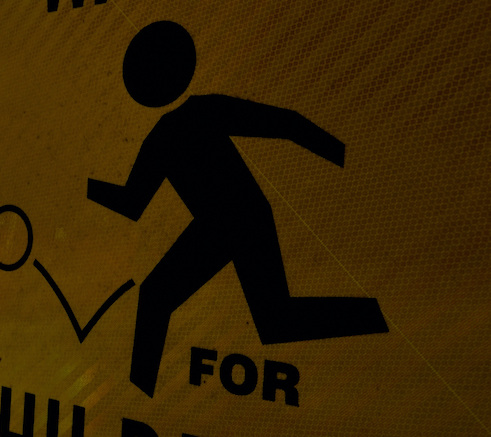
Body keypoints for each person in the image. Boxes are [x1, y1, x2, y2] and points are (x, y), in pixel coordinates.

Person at [87, 21, 387, 397]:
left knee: (268, 320)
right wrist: (85, 187)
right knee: (170, 299)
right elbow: (133, 203)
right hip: (220, 224)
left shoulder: (194, 116)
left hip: (242, 219)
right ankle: (138, 392)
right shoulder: (168, 132)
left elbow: (285, 124)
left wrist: (347, 160)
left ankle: (376, 315)